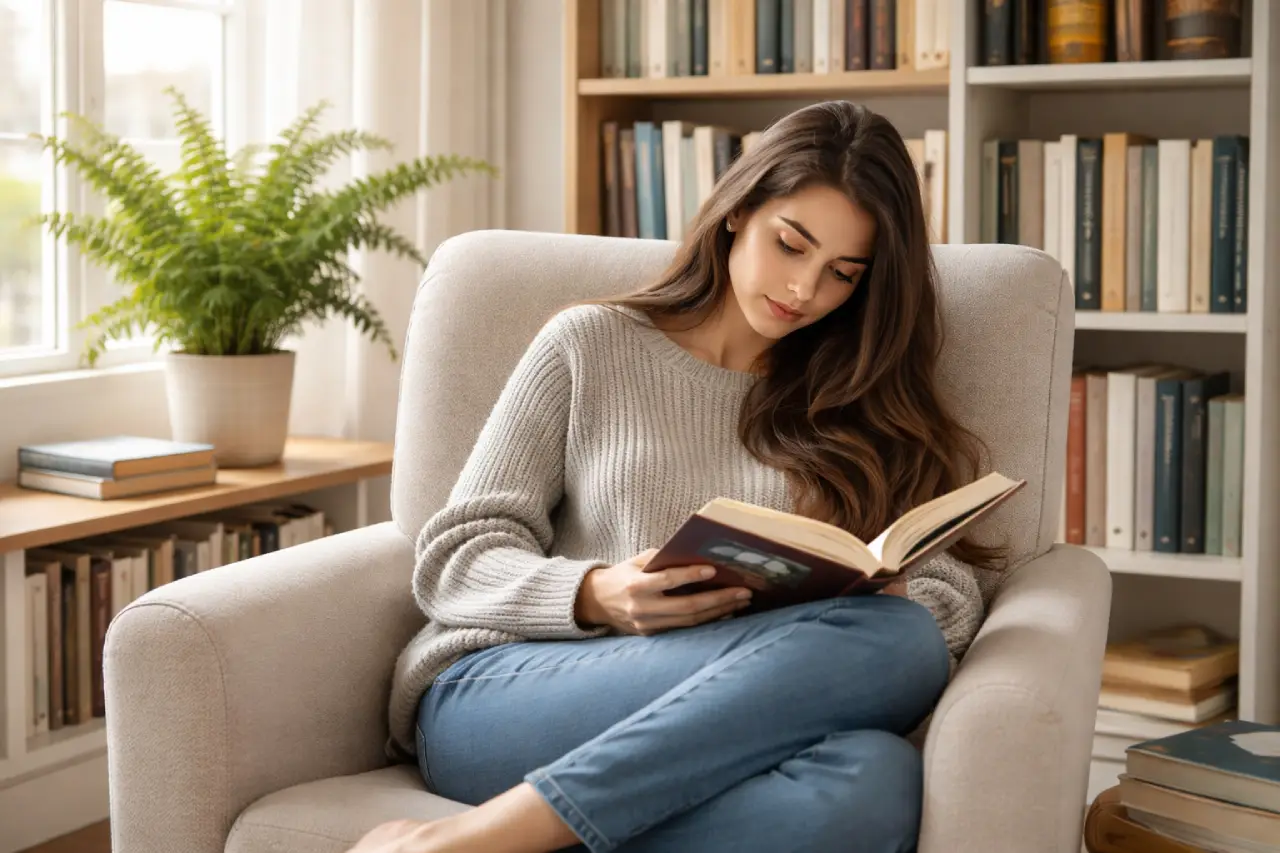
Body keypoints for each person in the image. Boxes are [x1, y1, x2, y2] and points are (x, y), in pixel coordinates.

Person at [350, 100, 1008, 853]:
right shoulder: (589, 344)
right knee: (895, 647)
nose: (802, 290)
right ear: (737, 212)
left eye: (841, 274)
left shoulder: (863, 400)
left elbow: (951, 594)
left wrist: (885, 592)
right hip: (512, 689)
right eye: (790, 245)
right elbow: (454, 556)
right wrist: (596, 594)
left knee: (875, 773)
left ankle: (496, 837)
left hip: (728, 699)